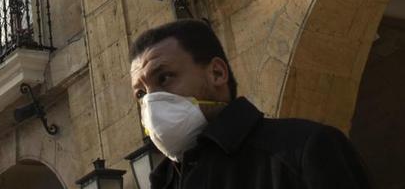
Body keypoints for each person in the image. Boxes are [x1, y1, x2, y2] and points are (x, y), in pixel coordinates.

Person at [129, 19, 371, 188]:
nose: (151, 102)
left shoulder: (301, 150)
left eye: (164, 78)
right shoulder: (162, 182)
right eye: (141, 94)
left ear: (216, 73)